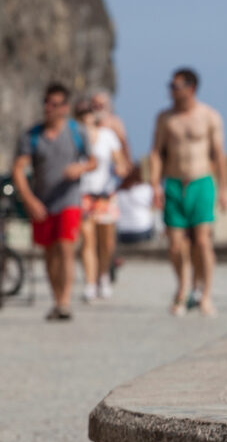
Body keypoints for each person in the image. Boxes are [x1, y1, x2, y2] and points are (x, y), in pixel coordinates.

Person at [12, 82, 96, 321]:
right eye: (47, 103)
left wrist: (80, 168)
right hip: (42, 201)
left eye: (55, 104)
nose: (49, 108)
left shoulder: (77, 132)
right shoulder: (32, 136)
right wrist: (29, 200)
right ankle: (56, 298)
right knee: (49, 252)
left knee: (66, 247)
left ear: (65, 107)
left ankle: (65, 302)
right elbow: (18, 169)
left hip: (69, 199)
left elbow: (93, 161)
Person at [149, 67, 227, 317]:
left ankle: (205, 294)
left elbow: (218, 154)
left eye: (176, 86)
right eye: (170, 86)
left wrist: (223, 189)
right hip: (173, 182)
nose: (171, 91)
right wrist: (154, 185)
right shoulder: (165, 118)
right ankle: (182, 288)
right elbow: (157, 152)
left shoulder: (209, 116)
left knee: (203, 241)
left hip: (201, 180)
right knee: (175, 244)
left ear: (191, 88)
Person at [75, 99, 129, 301]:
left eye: (88, 112)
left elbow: (120, 161)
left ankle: (103, 275)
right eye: (81, 113)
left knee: (106, 242)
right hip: (83, 193)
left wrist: (120, 168)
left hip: (105, 194)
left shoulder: (108, 137)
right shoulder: (75, 138)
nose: (85, 117)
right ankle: (90, 284)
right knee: (87, 240)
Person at [116, 163, 158, 245]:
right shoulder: (145, 188)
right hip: (142, 231)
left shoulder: (119, 191)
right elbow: (156, 205)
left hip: (123, 233)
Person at [90, 89, 131, 159]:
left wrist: (126, 162)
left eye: (101, 105)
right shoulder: (88, 123)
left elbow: (124, 143)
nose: (98, 107)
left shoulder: (114, 122)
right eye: (95, 105)